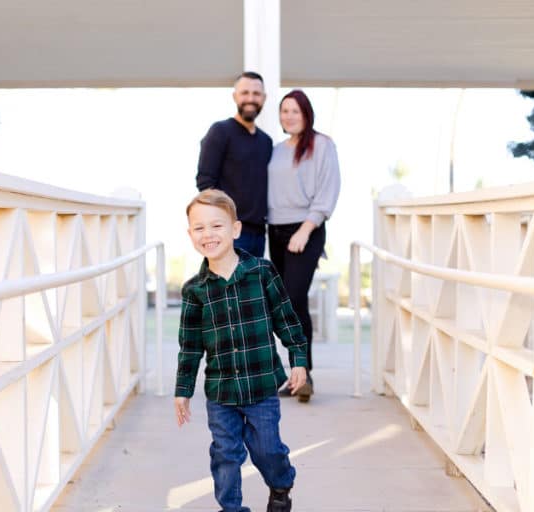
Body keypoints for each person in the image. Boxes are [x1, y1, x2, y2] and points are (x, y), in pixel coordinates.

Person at [174, 189, 308, 512]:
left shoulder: (261, 273)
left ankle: (280, 484)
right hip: (221, 392)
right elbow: (190, 347)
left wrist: (298, 360)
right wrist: (183, 391)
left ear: (235, 229)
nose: (208, 234)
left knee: (267, 448)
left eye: (217, 226)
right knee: (225, 453)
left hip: (261, 385)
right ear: (190, 235)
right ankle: (231, 508)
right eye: (200, 228)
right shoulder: (195, 291)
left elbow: (285, 318)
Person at [268, 90, 341, 403]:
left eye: (295, 111)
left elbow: (328, 190)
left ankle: (304, 372)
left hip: (306, 230)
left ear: (307, 113)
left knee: (294, 298)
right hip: (275, 230)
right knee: (282, 305)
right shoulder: (274, 151)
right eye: (284, 111)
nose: (289, 116)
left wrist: (306, 228)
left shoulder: (322, 145)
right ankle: (295, 374)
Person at [196, 71, 273, 257]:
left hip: (259, 234)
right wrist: (222, 227)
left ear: (263, 98)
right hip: (231, 232)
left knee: (253, 287)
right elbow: (205, 183)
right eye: (244, 93)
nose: (250, 98)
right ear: (234, 96)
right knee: (230, 286)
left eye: (256, 94)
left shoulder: (266, 141)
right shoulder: (220, 132)